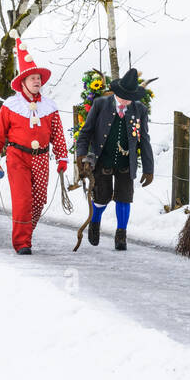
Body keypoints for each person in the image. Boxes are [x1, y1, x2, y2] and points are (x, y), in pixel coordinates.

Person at [0, 37, 69, 254]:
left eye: (38, 78)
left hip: (41, 158)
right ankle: (22, 243)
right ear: (22, 82)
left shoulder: (50, 107)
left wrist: (62, 158)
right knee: (23, 201)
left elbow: (58, 135)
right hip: (17, 157)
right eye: (32, 78)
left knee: (39, 200)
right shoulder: (11, 106)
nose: (37, 81)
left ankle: (25, 234)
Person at [73, 67, 154, 251]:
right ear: (116, 92)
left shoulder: (139, 109)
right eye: (123, 96)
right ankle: (95, 221)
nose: (126, 100)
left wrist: (149, 168)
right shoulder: (101, 104)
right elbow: (86, 133)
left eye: (129, 97)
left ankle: (121, 235)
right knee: (101, 198)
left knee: (124, 198)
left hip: (126, 162)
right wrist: (81, 155)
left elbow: (145, 139)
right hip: (103, 160)